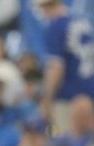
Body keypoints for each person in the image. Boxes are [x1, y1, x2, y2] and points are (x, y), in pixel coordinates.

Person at [35, 0, 94, 135]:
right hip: (90, 96)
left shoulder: (55, 27)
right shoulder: (84, 22)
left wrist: (47, 100)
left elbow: (56, 68)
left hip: (68, 100)